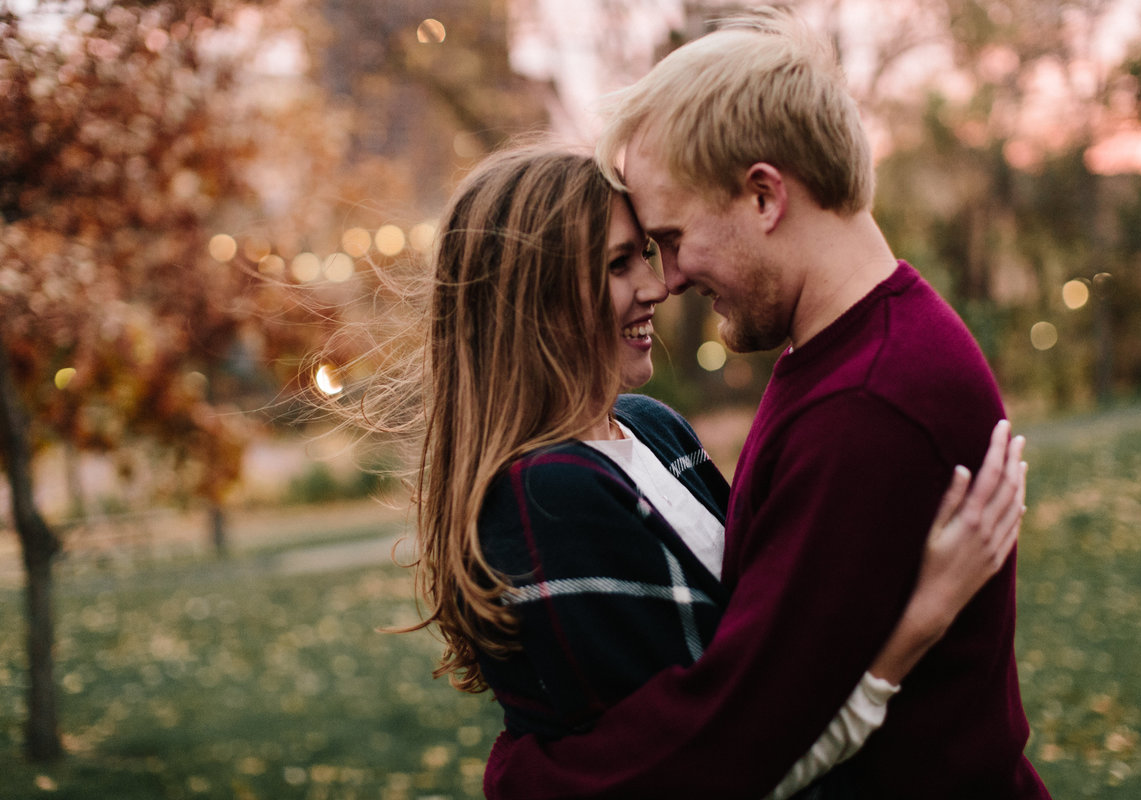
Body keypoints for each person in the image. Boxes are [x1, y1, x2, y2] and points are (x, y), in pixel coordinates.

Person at [481, 11, 1051, 800]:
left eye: (673, 237)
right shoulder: (841, 354)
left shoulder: (867, 404)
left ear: (762, 196)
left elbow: (743, 728)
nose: (670, 277)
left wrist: (537, 779)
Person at [364, 143, 1027, 798]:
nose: (657, 286)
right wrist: (917, 623)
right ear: (541, 297)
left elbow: (766, 659)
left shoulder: (654, 427)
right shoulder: (547, 496)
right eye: (620, 265)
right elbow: (722, 761)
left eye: (647, 253)